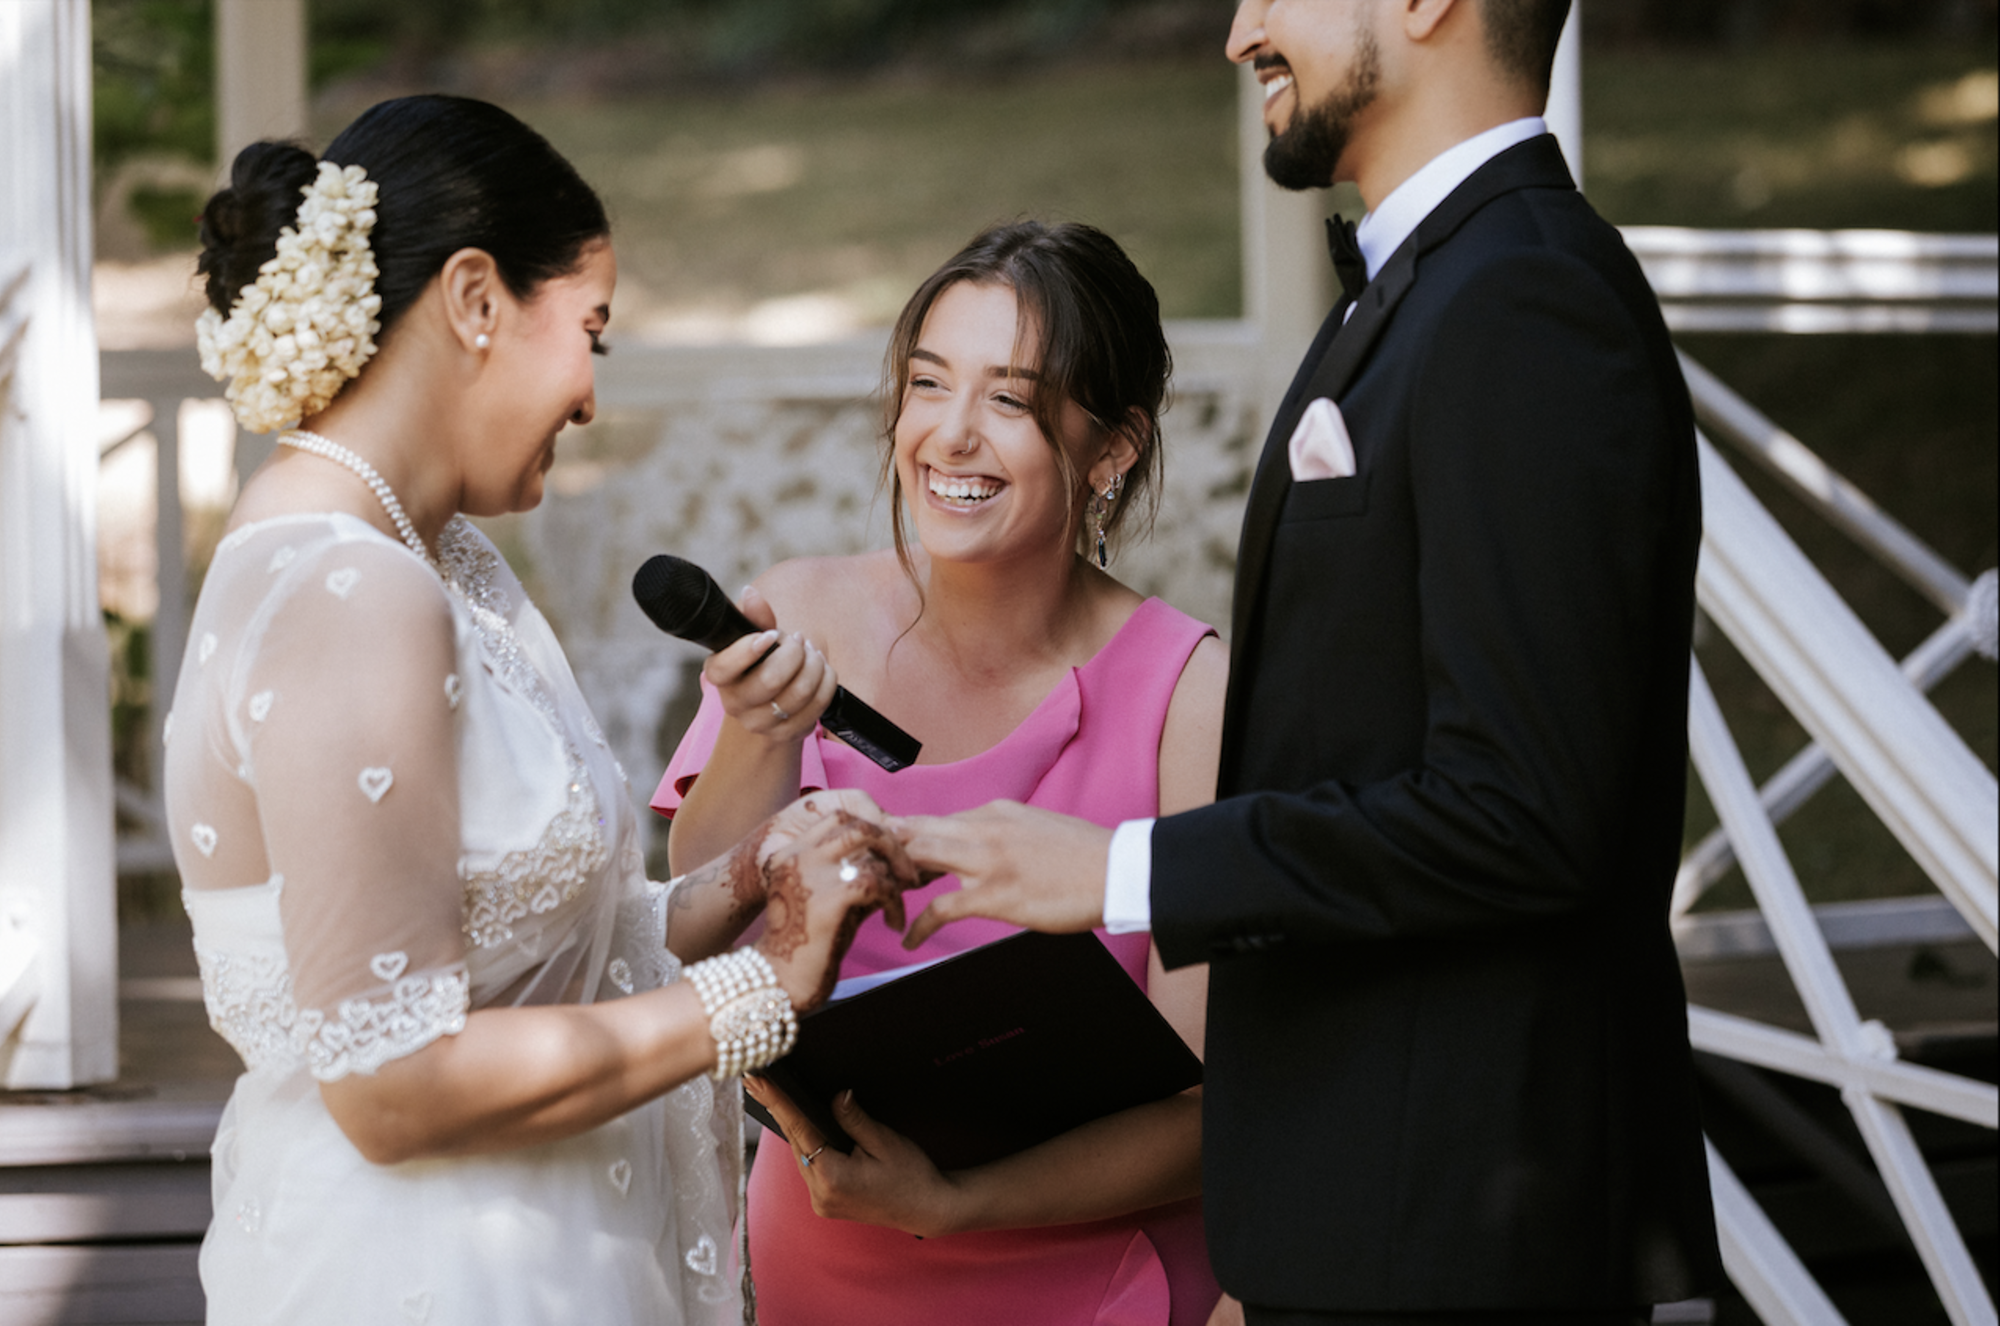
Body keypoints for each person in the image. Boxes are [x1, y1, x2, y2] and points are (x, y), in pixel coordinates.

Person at [898, 2, 1724, 1323]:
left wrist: (1119, 868)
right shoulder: (1429, 291)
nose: (1240, 34)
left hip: (1464, 1245)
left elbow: (1524, 812)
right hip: (1365, 1231)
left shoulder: (1524, 299)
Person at [163, 94, 917, 1326]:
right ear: (474, 301)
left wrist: (739, 889)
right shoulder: (353, 590)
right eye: (590, 333)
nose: (587, 398)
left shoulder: (434, 559)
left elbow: (513, 961)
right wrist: (759, 990)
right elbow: (392, 1084)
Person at [653, 221, 1236, 1326]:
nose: (950, 436)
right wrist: (755, 735)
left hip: (1099, 1276)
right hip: (827, 1251)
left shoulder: (1188, 691)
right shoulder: (801, 613)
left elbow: (1213, 1106)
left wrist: (957, 1201)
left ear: (1109, 448)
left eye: (1009, 401)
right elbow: (698, 909)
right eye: (928, 385)